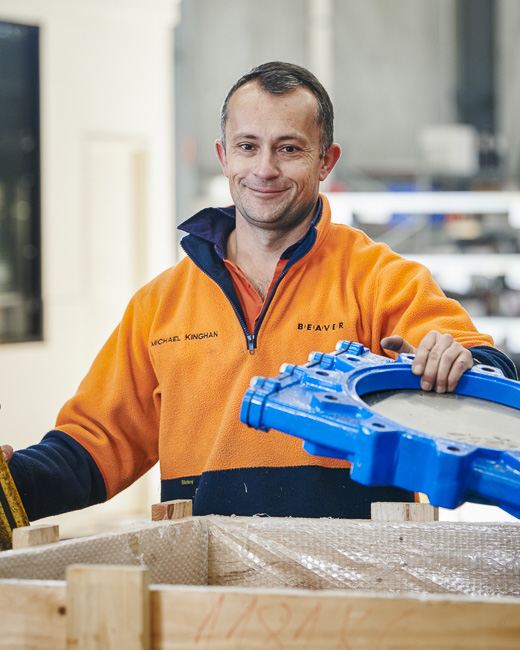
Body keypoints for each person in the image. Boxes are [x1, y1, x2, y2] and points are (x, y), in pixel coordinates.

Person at [3, 61, 517, 522]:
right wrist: (13, 487)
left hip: (364, 589)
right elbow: (97, 444)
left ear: (326, 161)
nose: (264, 169)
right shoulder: (158, 307)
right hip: (210, 590)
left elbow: (477, 364)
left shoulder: (379, 280)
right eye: (248, 146)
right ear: (224, 157)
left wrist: (461, 362)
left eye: (288, 148)